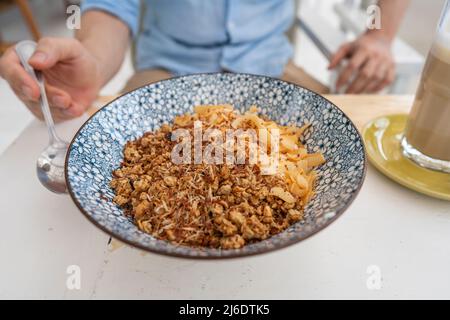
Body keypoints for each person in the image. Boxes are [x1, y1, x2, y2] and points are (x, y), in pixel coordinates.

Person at [0, 0, 409, 122]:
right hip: (166, 71)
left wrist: (380, 37)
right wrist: (89, 59)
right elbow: (111, 7)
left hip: (271, 66)